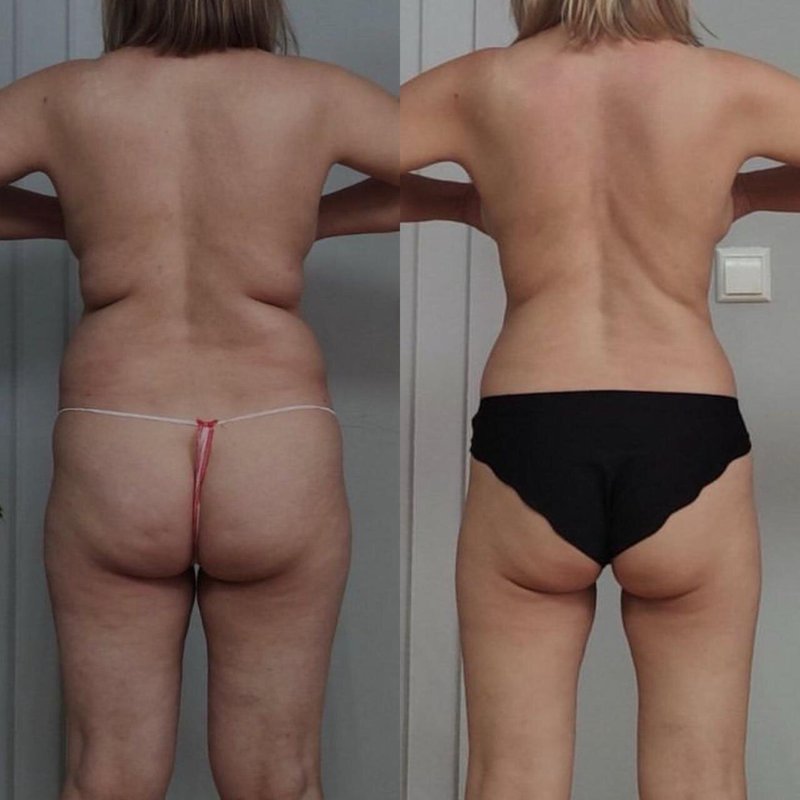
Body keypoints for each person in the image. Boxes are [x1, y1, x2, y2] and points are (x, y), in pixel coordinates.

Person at [401, 1, 800, 797]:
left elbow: (289, 151)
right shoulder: (730, 86)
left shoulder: (481, 86)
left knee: (511, 776)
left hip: (532, 428)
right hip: (686, 425)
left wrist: (454, 202)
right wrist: (745, 194)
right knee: (702, 778)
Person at [0, 1, 398, 798]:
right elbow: (483, 158)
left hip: (120, 440)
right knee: (279, 778)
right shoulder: (317, 94)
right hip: (273, 440)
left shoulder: (61, 97)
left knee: (107, 774)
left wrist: (80, 221)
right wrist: (298, 221)